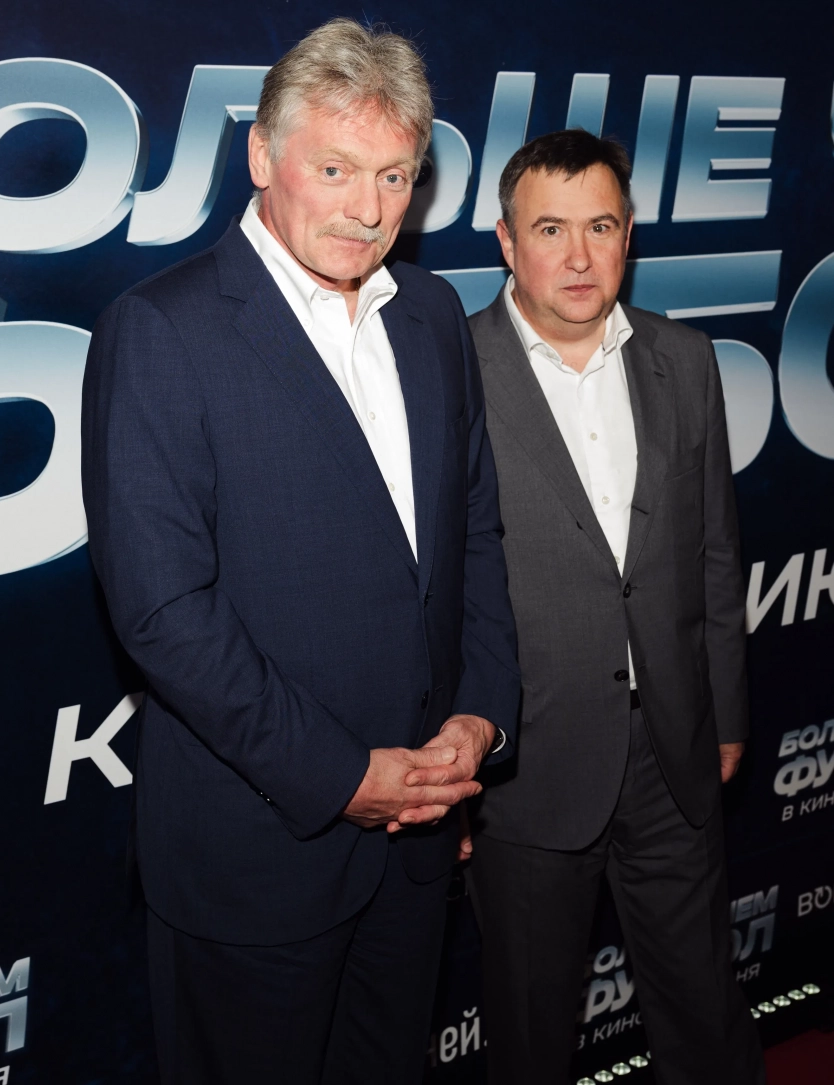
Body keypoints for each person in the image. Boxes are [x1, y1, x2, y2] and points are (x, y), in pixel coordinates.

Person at [81, 19, 519, 1085]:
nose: (368, 208)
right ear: (261, 157)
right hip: (254, 858)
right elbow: (162, 613)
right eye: (335, 169)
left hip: (417, 848)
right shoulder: (162, 329)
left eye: (394, 176)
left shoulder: (432, 315)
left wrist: (480, 715)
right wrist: (340, 775)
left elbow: (474, 534)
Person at [466, 129, 765, 1085]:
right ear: (508, 242)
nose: (579, 256)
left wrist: (725, 714)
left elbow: (714, 552)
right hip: (522, 764)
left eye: (600, 227)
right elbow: (430, 593)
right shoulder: (448, 372)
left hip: (672, 749)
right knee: (529, 1035)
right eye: (550, 229)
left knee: (706, 1012)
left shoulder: (685, 359)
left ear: (628, 235)